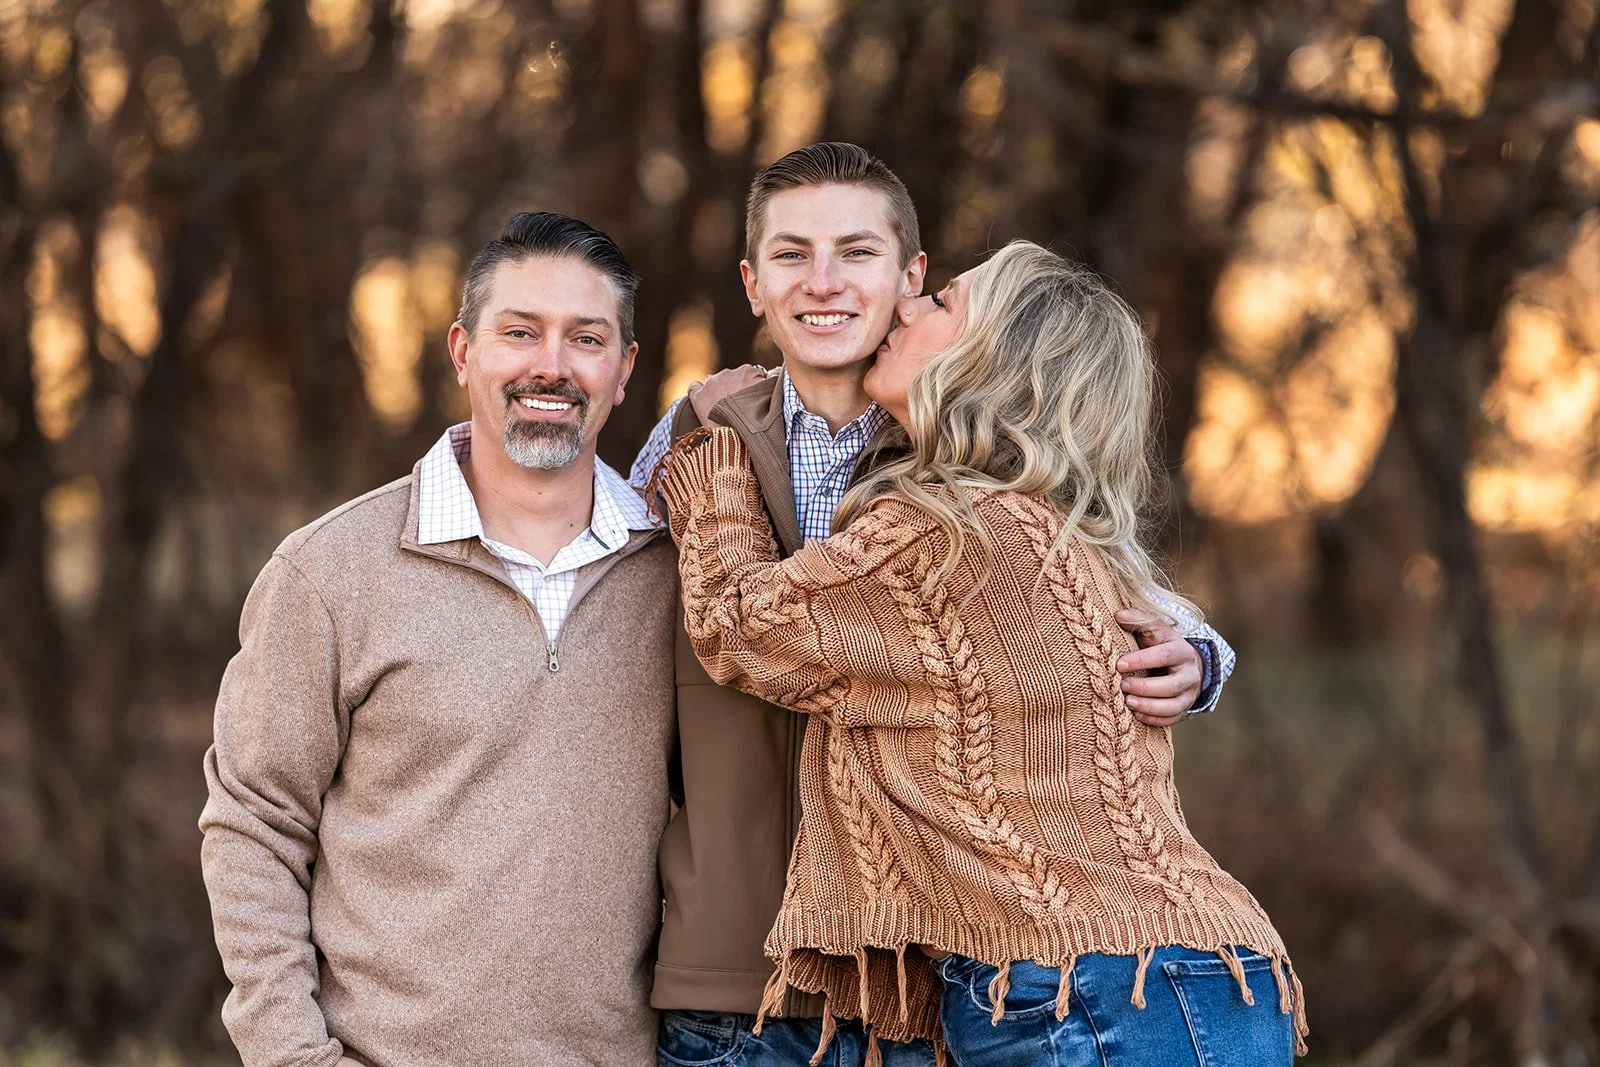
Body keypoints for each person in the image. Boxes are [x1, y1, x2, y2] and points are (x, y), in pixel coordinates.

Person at [631, 142, 1240, 1066]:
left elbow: (1100, 575)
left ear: (911, 278)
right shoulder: (687, 438)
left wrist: (1198, 653)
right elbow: (593, 599)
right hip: (730, 969)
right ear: (753, 285)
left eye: (858, 253)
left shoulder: (970, 455)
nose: (823, 282)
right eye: (792, 255)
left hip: (927, 974)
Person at [199, 212, 676, 1067]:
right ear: (462, 352)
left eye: (586, 339)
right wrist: (295, 1056)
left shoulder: (679, 575)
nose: (551, 366)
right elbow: (253, 823)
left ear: (624, 369)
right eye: (519, 332)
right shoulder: (331, 570)